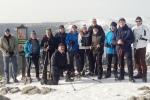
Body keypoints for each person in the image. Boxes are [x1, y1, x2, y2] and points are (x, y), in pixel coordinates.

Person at [116, 18, 135, 82]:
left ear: (125, 22)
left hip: (127, 48)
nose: (121, 23)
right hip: (119, 49)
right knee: (121, 63)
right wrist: (117, 42)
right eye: (120, 22)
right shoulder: (117, 30)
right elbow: (114, 39)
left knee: (129, 63)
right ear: (119, 23)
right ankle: (121, 76)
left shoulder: (129, 30)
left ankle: (131, 77)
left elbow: (132, 40)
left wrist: (124, 41)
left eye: (123, 22)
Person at [132, 16, 150, 82]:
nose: (138, 22)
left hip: (142, 46)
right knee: (136, 60)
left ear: (141, 21)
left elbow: (148, 37)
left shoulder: (145, 28)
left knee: (142, 60)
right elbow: (131, 36)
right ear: (135, 21)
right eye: (137, 21)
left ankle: (144, 75)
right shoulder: (133, 28)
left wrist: (142, 37)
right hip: (135, 46)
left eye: (139, 21)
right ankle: (139, 73)